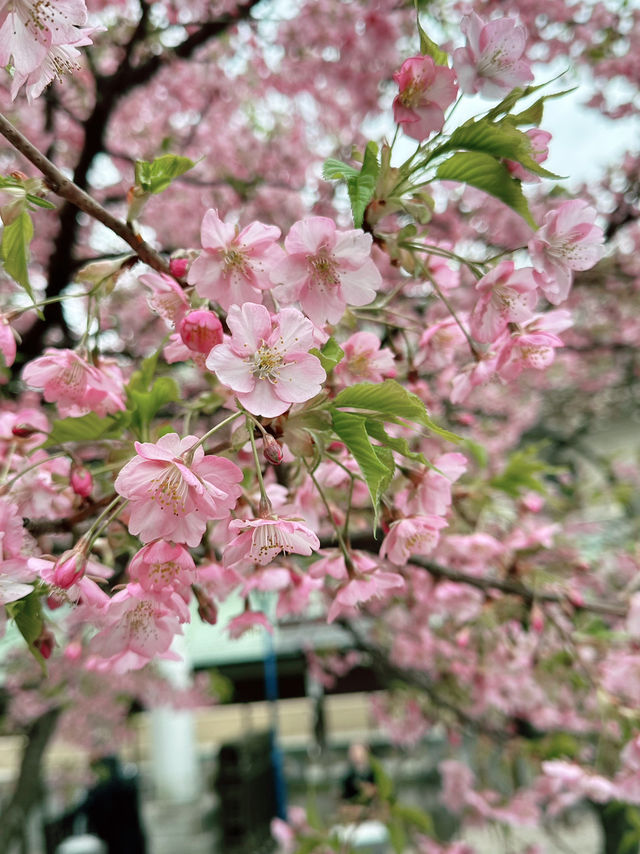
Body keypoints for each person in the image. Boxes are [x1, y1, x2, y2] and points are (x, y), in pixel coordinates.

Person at [70, 755, 147, 854]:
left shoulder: (102, 791)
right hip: (130, 839)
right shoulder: (126, 785)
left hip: (120, 841)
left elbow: (83, 809)